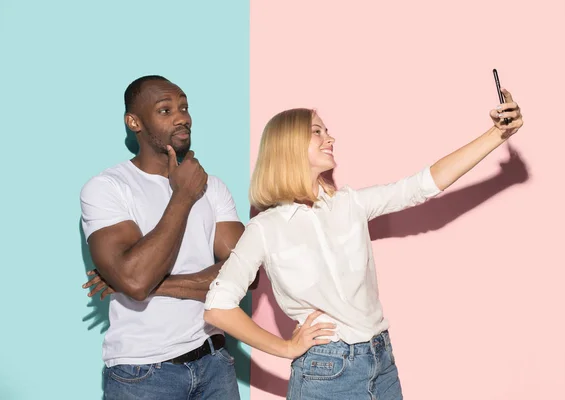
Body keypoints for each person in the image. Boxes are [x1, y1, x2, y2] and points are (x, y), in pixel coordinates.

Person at [203, 89, 524, 399]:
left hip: (380, 358)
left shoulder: (350, 203)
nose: (330, 138)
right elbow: (218, 306)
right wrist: (285, 347)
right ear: (289, 145)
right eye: (317, 132)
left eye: (326, 130)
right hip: (325, 372)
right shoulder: (265, 228)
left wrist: (496, 135)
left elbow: (423, 185)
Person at [80, 75, 257, 399]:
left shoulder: (213, 186)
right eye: (165, 110)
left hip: (215, 363)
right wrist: (183, 195)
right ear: (134, 122)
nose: (181, 117)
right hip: (143, 373)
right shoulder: (108, 188)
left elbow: (249, 273)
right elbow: (136, 280)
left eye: (184, 107)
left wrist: (152, 285)